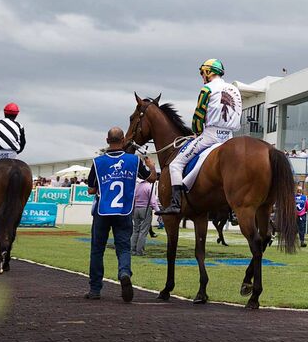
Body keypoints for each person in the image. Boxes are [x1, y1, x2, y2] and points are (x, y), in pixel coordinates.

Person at [161, 59, 241, 215]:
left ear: (208, 72)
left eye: (202, 73)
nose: (202, 76)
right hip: (230, 137)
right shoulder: (235, 89)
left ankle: (175, 203)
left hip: (211, 135)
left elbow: (199, 115)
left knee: (175, 164)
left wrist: (196, 131)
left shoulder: (207, 88)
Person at [85, 127, 156, 301]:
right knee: (123, 248)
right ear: (123, 140)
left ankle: (95, 289)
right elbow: (152, 179)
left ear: (107, 140)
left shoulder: (97, 162)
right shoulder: (134, 160)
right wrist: (152, 167)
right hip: (124, 211)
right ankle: (124, 273)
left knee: (97, 250)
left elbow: (91, 189)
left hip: (103, 211)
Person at [130, 172, 159, 257]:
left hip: (136, 209)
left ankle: (133, 250)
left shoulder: (137, 186)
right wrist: (158, 212)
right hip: (146, 209)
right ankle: (140, 251)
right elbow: (153, 202)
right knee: (143, 231)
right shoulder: (148, 187)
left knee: (136, 230)